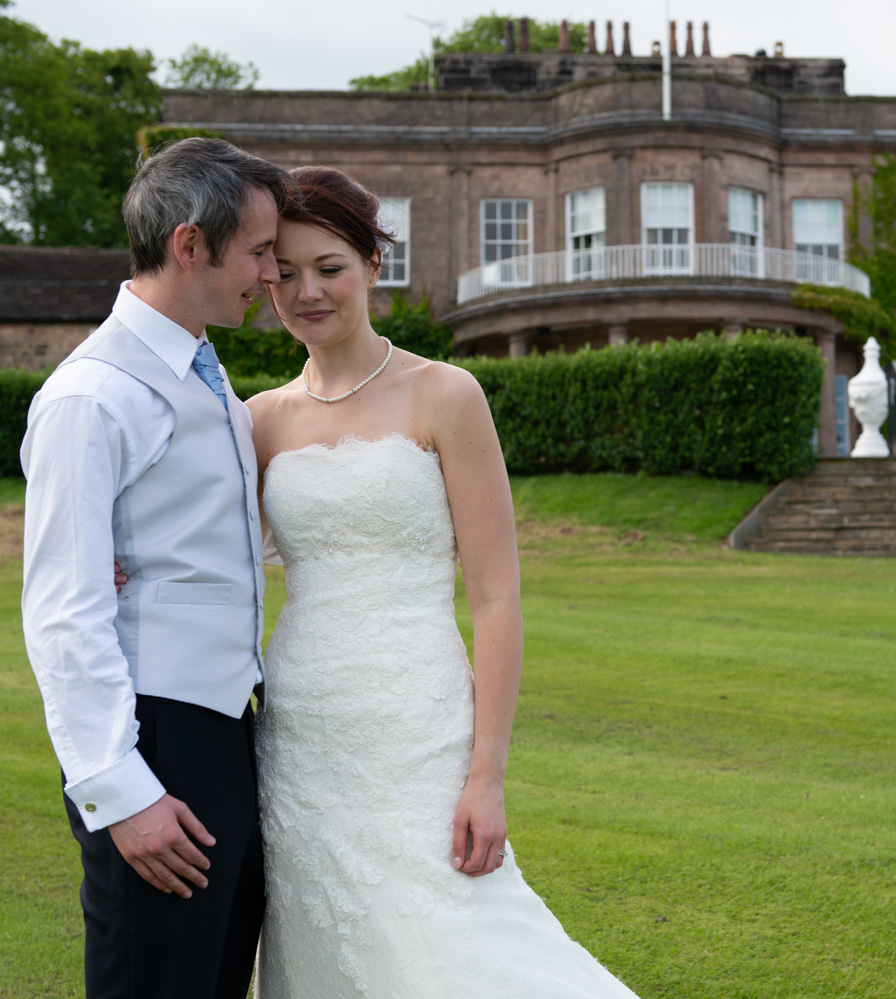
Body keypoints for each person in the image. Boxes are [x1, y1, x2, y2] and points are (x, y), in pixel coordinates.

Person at [246, 165, 641, 996]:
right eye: (284, 272)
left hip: (417, 723)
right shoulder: (258, 421)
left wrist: (486, 773)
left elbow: (496, 596)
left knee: (457, 937)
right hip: (300, 730)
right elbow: (215, 559)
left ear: (373, 265)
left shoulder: (445, 394)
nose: (307, 291)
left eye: (329, 267)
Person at [20, 138, 293, 999]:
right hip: (151, 737)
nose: (271, 274)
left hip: (227, 730)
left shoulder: (207, 376)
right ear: (189, 243)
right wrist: (120, 789)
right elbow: (63, 609)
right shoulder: (92, 395)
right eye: (259, 252)